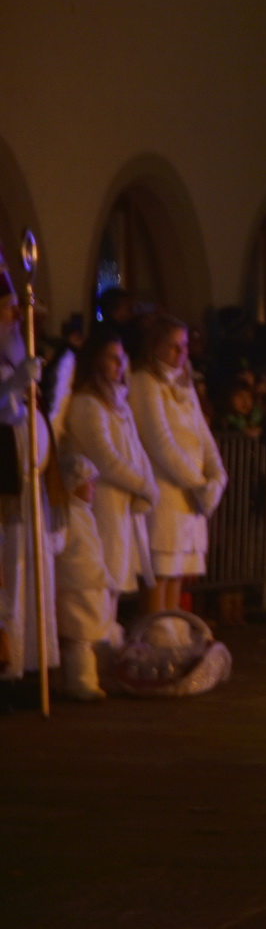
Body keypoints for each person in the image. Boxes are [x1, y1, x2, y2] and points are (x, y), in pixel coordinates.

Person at [130, 313, 227, 615]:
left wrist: (217, 476)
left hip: (189, 499)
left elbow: (203, 435)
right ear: (154, 346)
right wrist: (198, 483)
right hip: (165, 493)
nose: (181, 353)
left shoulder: (184, 384)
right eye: (174, 346)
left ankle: (172, 633)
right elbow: (160, 443)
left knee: (178, 574)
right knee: (160, 572)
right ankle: (155, 637)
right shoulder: (144, 382)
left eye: (184, 346)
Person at [62, 326, 156, 633]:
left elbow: (136, 450)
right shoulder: (87, 404)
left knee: (114, 578)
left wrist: (147, 484)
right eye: (112, 359)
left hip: (120, 507)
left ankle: (106, 643)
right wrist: (142, 484)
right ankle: (94, 648)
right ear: (95, 361)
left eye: (121, 358)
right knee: (100, 580)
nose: (120, 365)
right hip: (99, 504)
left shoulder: (119, 404)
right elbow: (106, 458)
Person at [0, 275, 57, 701]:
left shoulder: (13, 356)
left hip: (23, 484)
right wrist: (12, 387)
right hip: (4, 485)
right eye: (8, 308)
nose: (16, 317)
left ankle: (23, 664)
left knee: (24, 574)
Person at [55, 454, 117, 701]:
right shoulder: (66, 514)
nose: (92, 488)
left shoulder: (83, 513)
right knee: (79, 639)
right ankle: (82, 683)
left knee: (87, 636)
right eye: (87, 482)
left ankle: (72, 680)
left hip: (90, 584)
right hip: (76, 586)